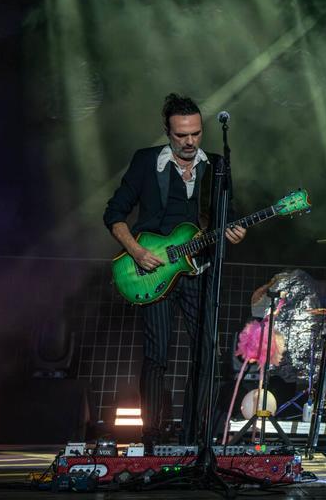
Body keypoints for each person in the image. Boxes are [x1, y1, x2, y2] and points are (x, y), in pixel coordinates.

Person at [104, 94, 246, 448]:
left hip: (198, 270)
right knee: (157, 356)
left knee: (206, 355)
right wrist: (136, 252)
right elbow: (114, 214)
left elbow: (225, 217)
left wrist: (235, 231)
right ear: (167, 131)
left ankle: (196, 435)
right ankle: (153, 433)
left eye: (196, 134)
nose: (189, 142)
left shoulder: (216, 166)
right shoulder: (146, 161)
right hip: (154, 271)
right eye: (181, 134)